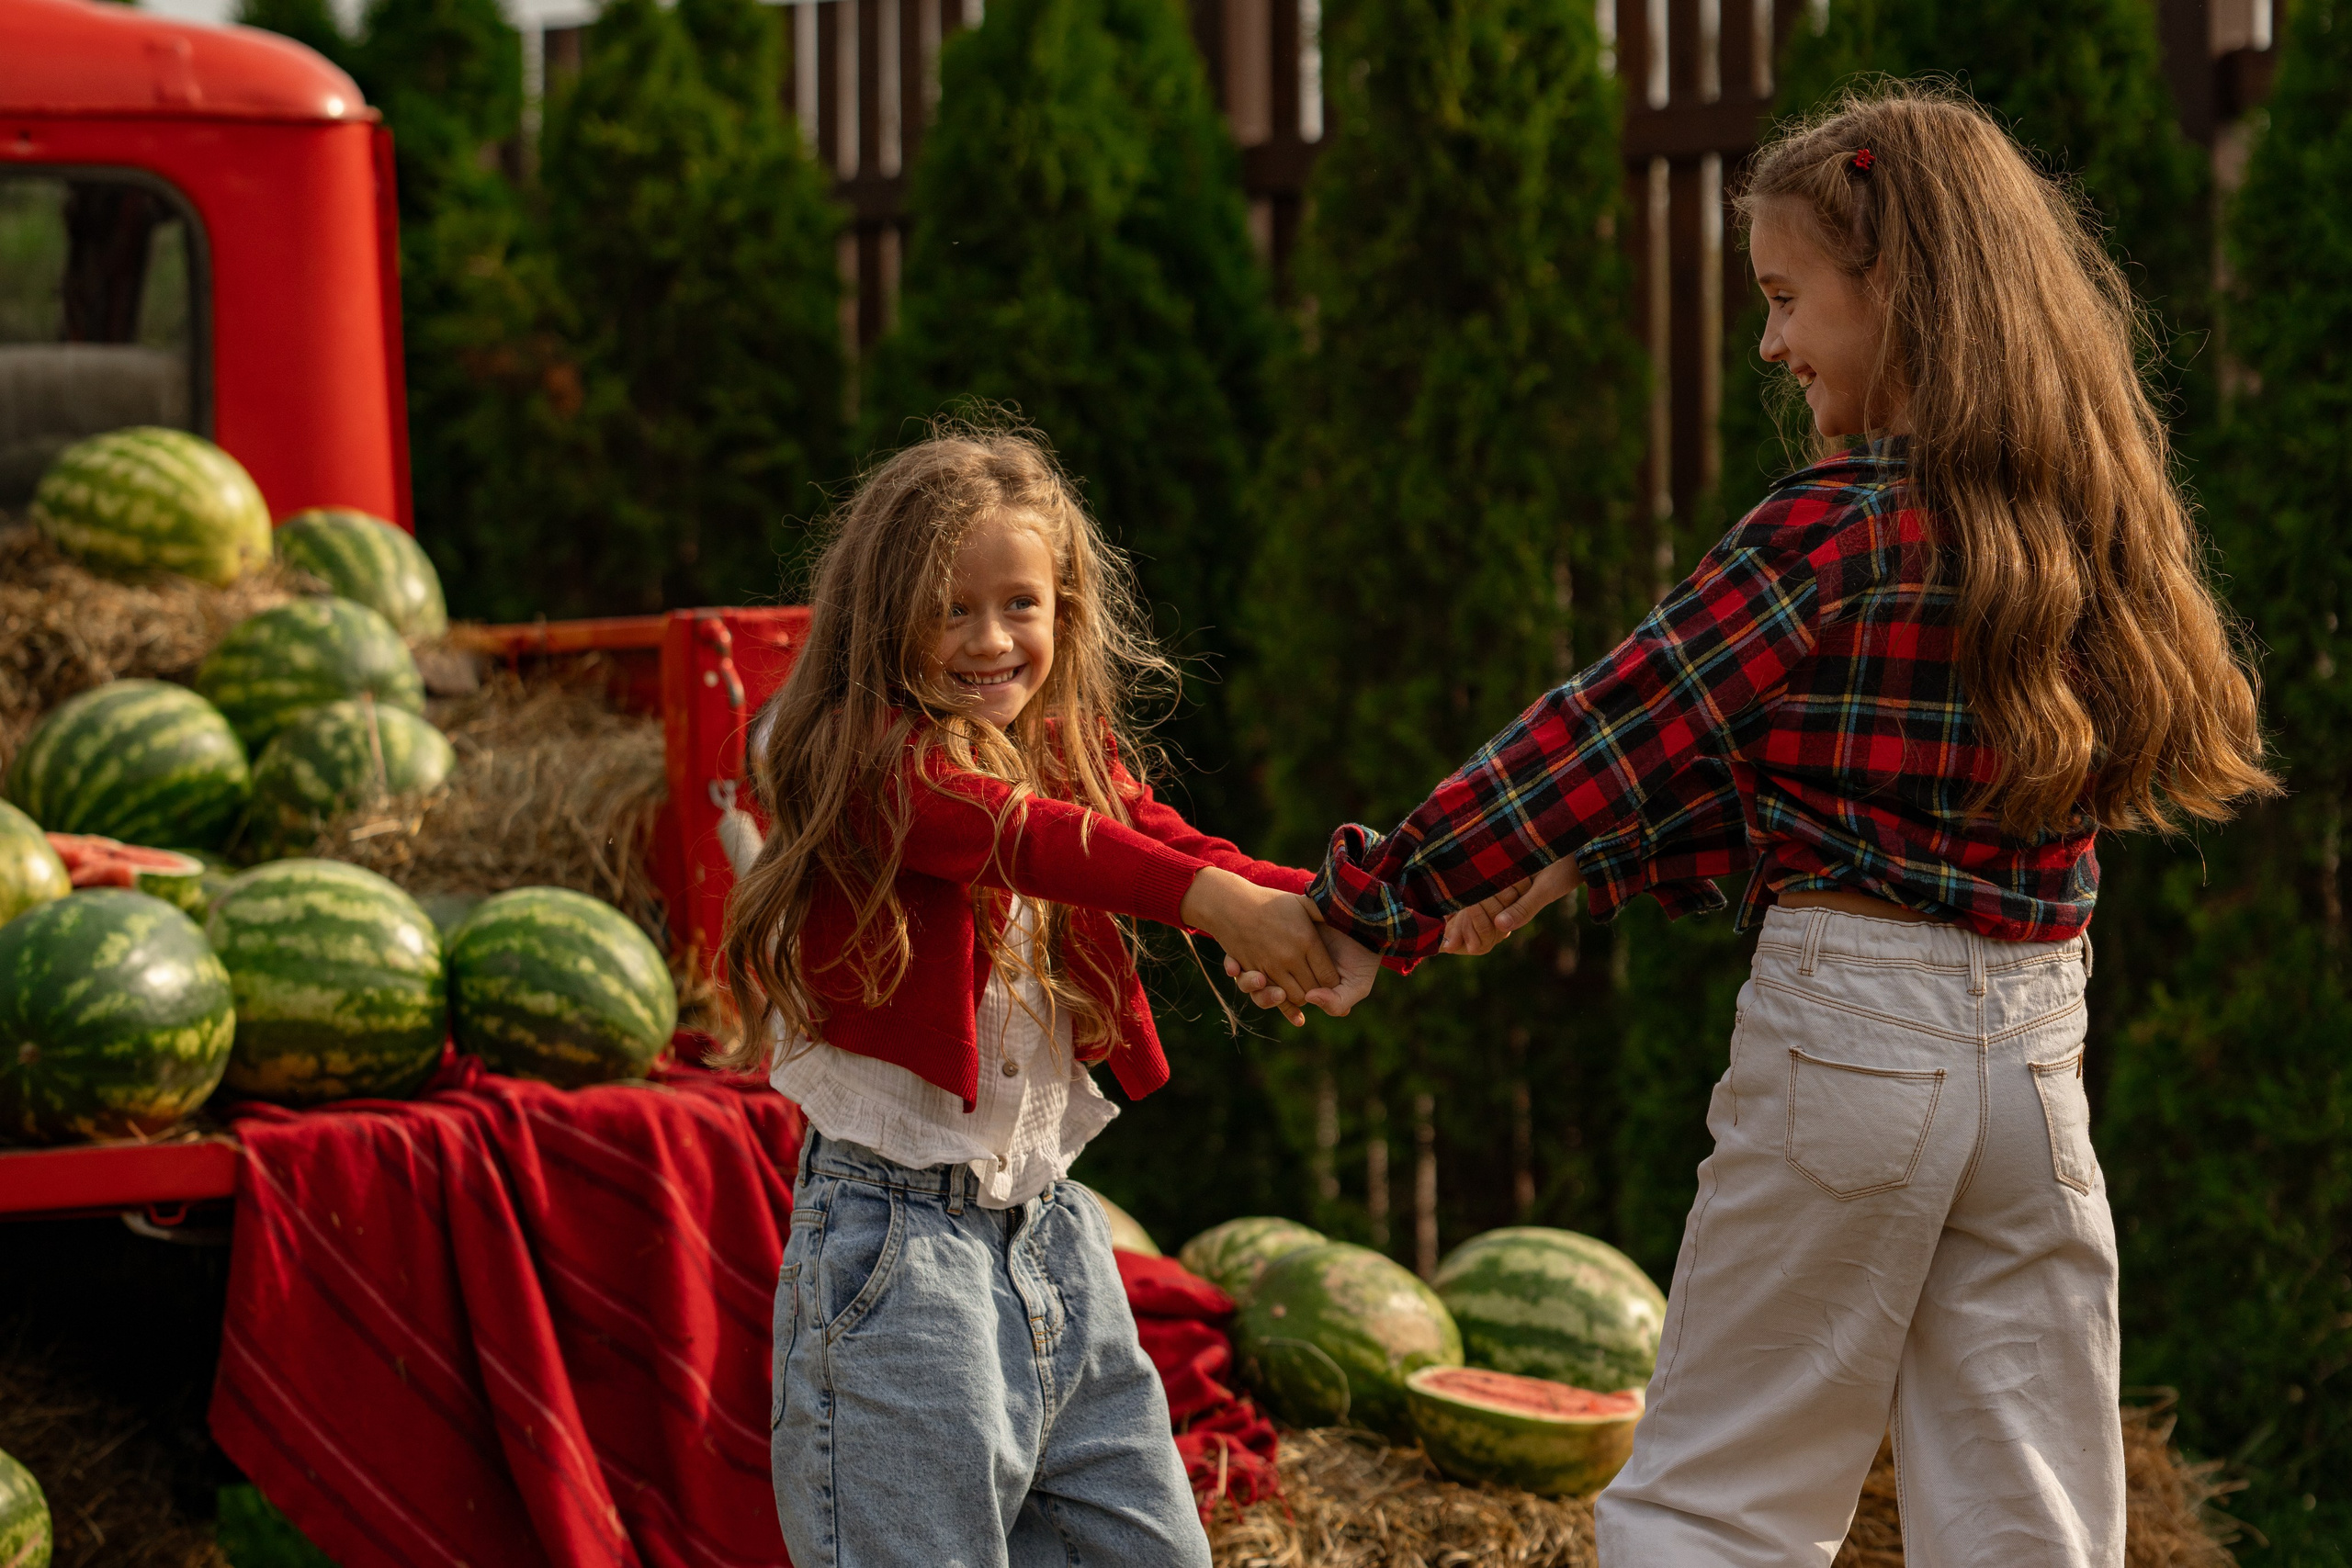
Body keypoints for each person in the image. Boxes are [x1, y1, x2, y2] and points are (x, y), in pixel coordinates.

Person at [1235, 85, 2276, 1566]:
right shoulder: (2074, 526)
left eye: (1789, 298)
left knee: (1713, 1507)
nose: (1773, 342)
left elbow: (1615, 721)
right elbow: (1816, 782)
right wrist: (1568, 865)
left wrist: (1380, 900)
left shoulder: (1834, 521)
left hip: (1850, 1042)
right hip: (2036, 1074)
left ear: (1897, 284)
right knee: (2030, 1512)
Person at [716, 423, 1363, 1568]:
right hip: (893, 1256)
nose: (988, 640)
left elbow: (1150, 837)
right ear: (880, 617)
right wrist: (1218, 908)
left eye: (1020, 604)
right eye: (947, 609)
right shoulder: (863, 759)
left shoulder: (1061, 744)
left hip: (1054, 1238)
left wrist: (1351, 912)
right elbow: (1024, 841)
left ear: (1063, 608)